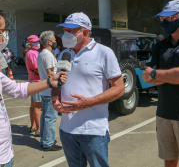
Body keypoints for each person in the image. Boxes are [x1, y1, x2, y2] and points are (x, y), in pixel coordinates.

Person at [0, 8, 67, 167]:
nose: (6, 35)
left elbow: (16, 89)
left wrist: (50, 82)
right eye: (3, 30)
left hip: (3, 156)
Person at [52, 12, 125, 166]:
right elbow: (58, 84)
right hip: (67, 130)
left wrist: (89, 102)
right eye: (64, 30)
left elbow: (119, 88)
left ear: (84, 32)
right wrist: (55, 99)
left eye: (70, 31)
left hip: (93, 131)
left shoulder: (104, 53)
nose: (65, 34)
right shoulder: (64, 54)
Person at [142, 0, 179, 167]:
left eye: (169, 18)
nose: (164, 22)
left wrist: (157, 73)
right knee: (169, 160)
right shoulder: (160, 45)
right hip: (163, 114)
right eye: (162, 18)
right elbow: (145, 76)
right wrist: (172, 75)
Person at [37, 31, 62, 151]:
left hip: (44, 90)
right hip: (50, 91)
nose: (55, 41)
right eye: (53, 39)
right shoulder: (48, 55)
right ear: (49, 42)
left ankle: (45, 139)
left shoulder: (42, 54)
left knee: (45, 117)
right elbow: (51, 74)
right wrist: (56, 89)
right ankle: (48, 142)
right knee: (50, 118)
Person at [25, 35, 42, 137]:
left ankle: (33, 126)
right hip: (36, 81)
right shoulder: (32, 53)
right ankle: (39, 129)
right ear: (30, 43)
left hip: (32, 80)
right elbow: (36, 66)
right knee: (37, 107)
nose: (38, 43)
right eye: (35, 42)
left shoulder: (30, 52)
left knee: (33, 106)